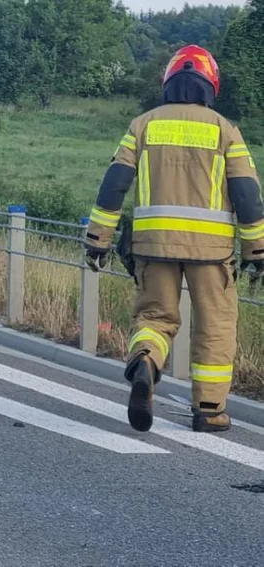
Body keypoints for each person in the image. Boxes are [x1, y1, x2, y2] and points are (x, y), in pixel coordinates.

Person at [83, 44, 264, 434]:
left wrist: (99, 237)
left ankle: (146, 361)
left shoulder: (142, 125)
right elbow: (247, 195)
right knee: (214, 326)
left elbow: (113, 185)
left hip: (153, 245)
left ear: (168, 82)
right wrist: (257, 249)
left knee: (154, 319)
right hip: (212, 254)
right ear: (210, 85)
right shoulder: (225, 130)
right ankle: (210, 410)